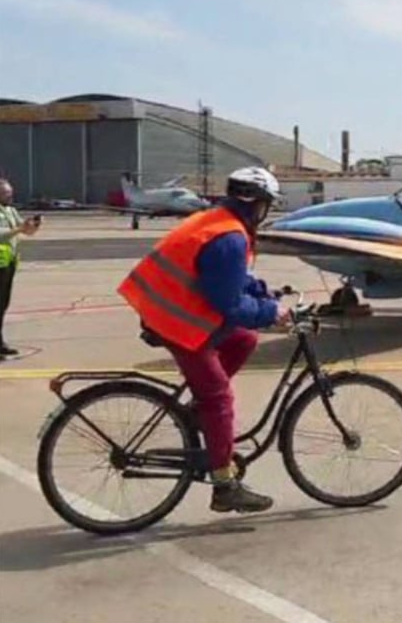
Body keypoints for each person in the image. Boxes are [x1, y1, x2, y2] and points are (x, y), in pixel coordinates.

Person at [117, 166, 291, 513]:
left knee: (243, 340)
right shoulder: (229, 237)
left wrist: (265, 295)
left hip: (169, 308)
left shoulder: (219, 220)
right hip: (176, 321)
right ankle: (224, 485)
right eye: (267, 205)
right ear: (257, 205)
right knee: (219, 397)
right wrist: (271, 313)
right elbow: (228, 302)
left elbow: (234, 281)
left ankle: (198, 413)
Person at [0, 178, 41, 360]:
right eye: (6, 193)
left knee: (1, 305)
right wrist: (19, 228)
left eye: (10, 193)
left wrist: (33, 226)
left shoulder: (10, 210)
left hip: (8, 263)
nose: (10, 196)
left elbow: (25, 231)